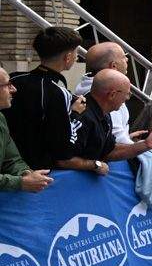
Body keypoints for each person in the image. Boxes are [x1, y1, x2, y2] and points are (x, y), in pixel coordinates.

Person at [4, 26, 83, 170]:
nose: (77, 57)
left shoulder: (14, 78)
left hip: (8, 163)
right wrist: (74, 113)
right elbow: (63, 149)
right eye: (76, 52)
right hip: (38, 171)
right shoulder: (57, 92)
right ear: (68, 57)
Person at [60, 71, 152, 174]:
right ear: (112, 95)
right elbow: (63, 159)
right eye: (127, 93)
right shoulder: (82, 116)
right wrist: (94, 165)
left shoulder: (104, 115)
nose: (128, 98)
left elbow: (110, 151)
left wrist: (146, 144)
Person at [0, 68, 54, 193]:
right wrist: (20, 182)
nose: (14, 89)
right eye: (8, 85)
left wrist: (26, 174)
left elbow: (12, 160)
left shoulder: (1, 118)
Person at [73, 42, 134, 145]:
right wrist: (142, 146)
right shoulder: (104, 93)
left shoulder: (87, 87)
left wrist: (129, 137)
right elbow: (116, 138)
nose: (127, 60)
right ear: (113, 66)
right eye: (124, 57)